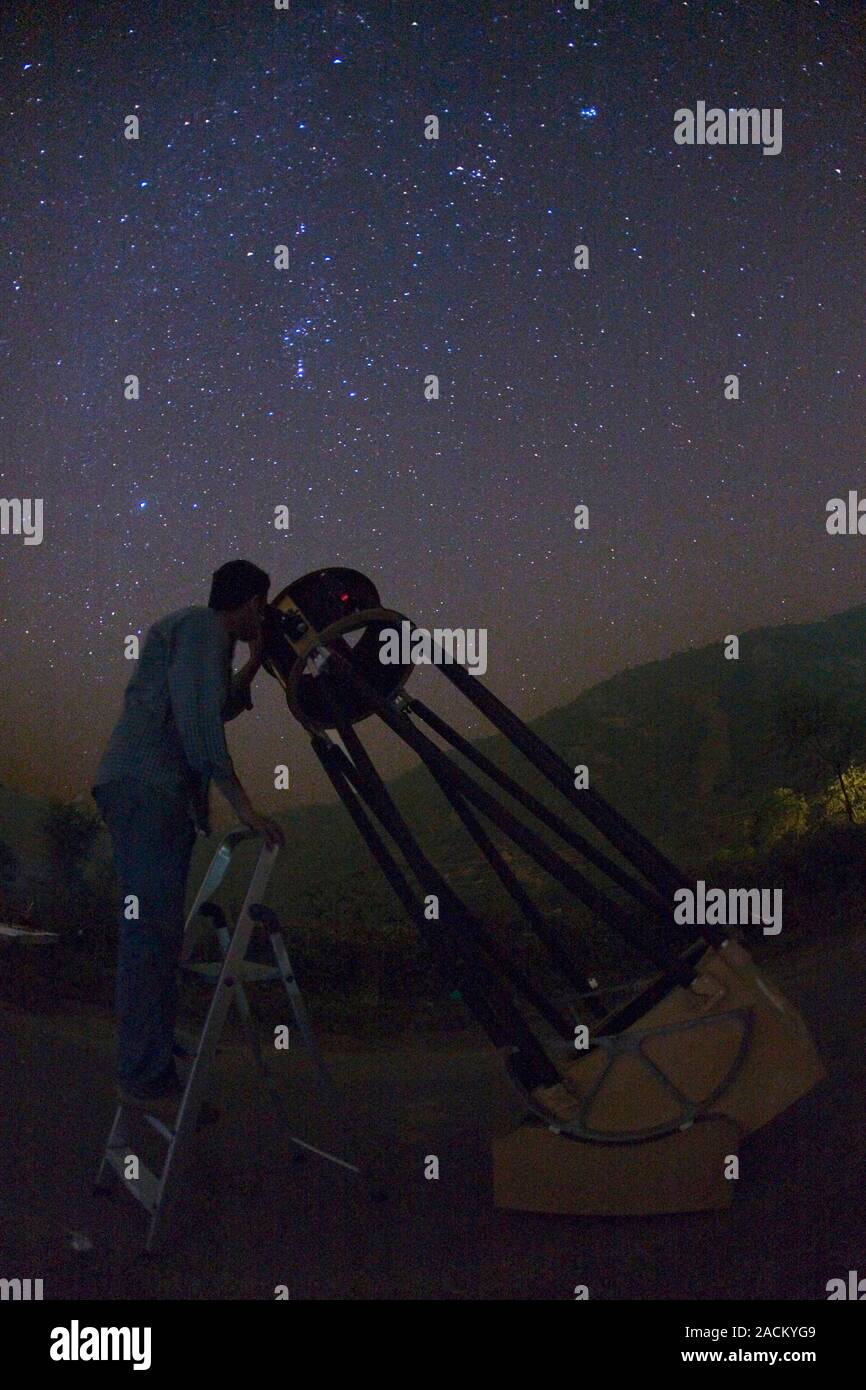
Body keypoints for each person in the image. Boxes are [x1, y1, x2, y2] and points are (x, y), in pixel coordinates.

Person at [92, 559, 284, 1114]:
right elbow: (201, 728)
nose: (264, 616)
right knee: (148, 933)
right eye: (262, 605)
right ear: (249, 603)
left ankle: (154, 1057)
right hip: (148, 788)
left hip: (155, 796)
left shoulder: (209, 641)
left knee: (156, 932)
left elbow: (212, 706)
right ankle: (143, 1074)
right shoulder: (203, 627)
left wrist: (250, 666)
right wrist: (245, 809)